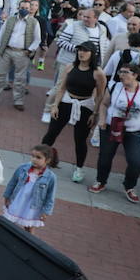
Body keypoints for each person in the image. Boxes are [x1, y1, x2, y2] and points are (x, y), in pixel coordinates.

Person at [90, 63, 140, 203]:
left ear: (135, 75)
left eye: (126, 72)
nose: (121, 75)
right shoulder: (114, 86)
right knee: (105, 157)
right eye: (120, 72)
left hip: (135, 131)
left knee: (136, 161)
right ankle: (101, 181)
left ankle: (129, 186)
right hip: (112, 127)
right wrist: (102, 120)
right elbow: (104, 104)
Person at [41, 41, 106, 183]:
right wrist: (55, 105)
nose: (81, 53)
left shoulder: (98, 73)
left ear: (92, 54)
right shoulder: (70, 67)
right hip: (66, 102)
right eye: (80, 50)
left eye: (85, 51)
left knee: (80, 140)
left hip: (84, 105)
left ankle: (79, 168)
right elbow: (62, 87)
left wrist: (94, 113)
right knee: (51, 133)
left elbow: (101, 95)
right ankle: (40, 160)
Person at [0, 0, 41, 109]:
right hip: (7, 50)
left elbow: (37, 39)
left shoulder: (34, 22)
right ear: (18, 8)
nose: (24, 9)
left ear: (30, 9)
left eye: (26, 7)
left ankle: (18, 101)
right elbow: (1, 34)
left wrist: (30, 50)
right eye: (22, 7)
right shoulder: (11, 19)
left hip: (22, 53)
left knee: (20, 78)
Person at [3, 143, 58, 233]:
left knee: (29, 227)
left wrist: (46, 212)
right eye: (32, 156)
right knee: (9, 222)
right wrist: (7, 196)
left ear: (47, 160)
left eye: (38, 157)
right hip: (18, 200)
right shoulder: (22, 168)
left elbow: (50, 196)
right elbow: (12, 182)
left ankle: (28, 243)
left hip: (33, 206)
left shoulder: (50, 177)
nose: (34, 159)